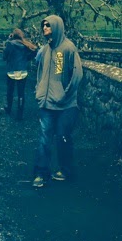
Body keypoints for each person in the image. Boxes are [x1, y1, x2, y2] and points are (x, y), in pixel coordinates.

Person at [32, 15, 83, 188]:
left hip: (66, 105)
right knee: (44, 139)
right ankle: (41, 173)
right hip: (46, 104)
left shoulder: (68, 48)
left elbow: (77, 75)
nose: (44, 27)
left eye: (48, 25)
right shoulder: (45, 50)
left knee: (63, 137)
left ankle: (65, 170)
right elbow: (40, 72)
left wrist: (64, 95)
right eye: (43, 25)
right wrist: (39, 91)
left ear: (57, 27)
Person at [2, 28, 37, 119]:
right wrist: (26, 59)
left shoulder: (10, 44)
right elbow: (35, 51)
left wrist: (8, 39)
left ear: (13, 35)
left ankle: (9, 109)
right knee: (21, 93)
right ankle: (20, 113)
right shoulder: (25, 45)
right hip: (22, 72)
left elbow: (4, 57)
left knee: (10, 91)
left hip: (11, 71)